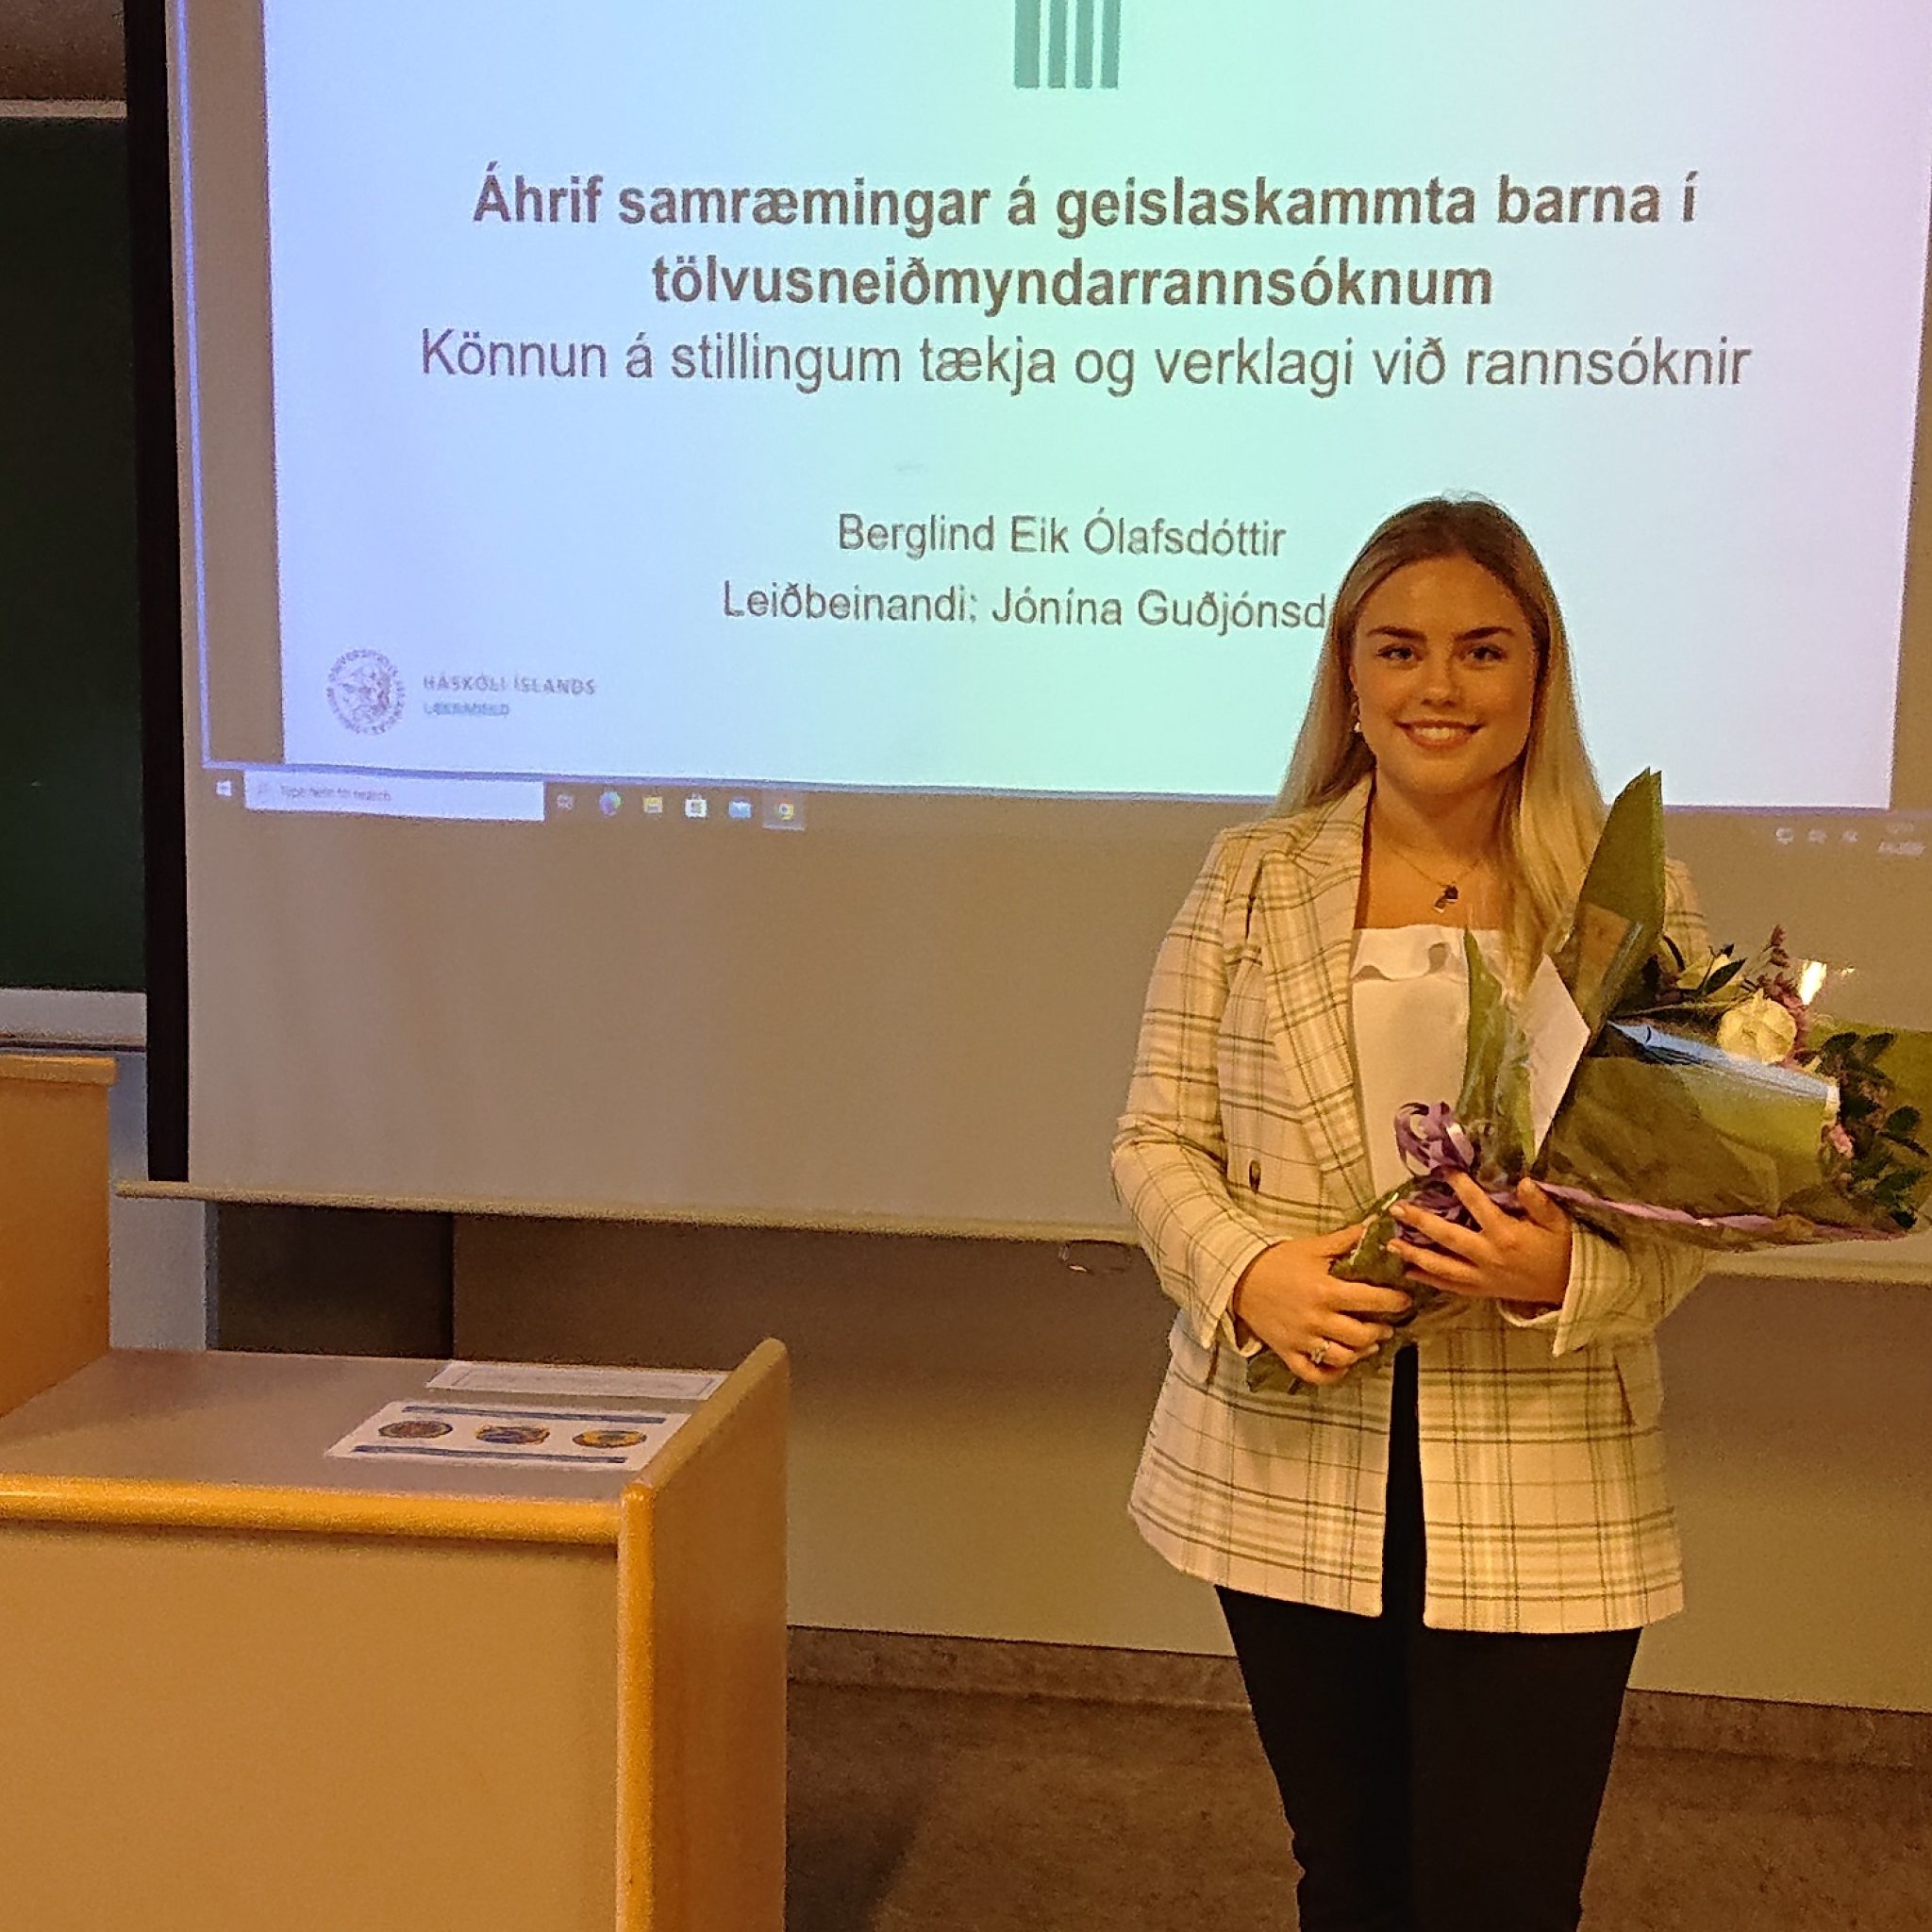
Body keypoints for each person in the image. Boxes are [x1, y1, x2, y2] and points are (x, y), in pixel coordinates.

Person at [1111, 497, 1708, 1932]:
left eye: (1483, 650)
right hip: (1284, 1449)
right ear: (1350, 675)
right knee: (1354, 1878)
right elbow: (1155, 1141)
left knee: (1506, 1896)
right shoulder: (1250, 877)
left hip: (1547, 1460)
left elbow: (1688, 1207)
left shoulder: (1631, 901)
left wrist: (1564, 1269)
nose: (1440, 686)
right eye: (1400, 649)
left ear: (1540, 672)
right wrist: (1249, 1271)